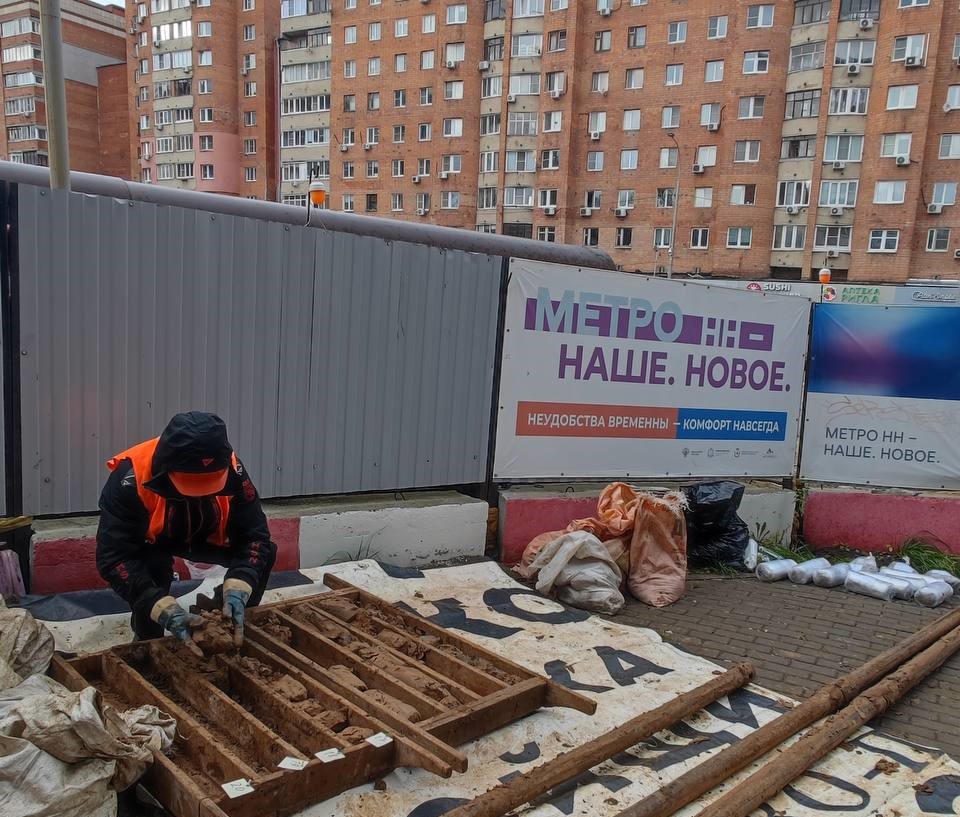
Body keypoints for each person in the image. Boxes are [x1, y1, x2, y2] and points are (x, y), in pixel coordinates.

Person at [96, 411, 277, 654]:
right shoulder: (131, 478)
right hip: (156, 540)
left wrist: (242, 580)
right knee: (151, 569)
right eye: (192, 487)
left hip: (208, 536)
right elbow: (114, 556)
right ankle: (147, 637)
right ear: (166, 470)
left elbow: (255, 536)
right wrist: (155, 603)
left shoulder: (233, 469)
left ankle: (230, 616)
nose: (201, 495)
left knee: (261, 558)